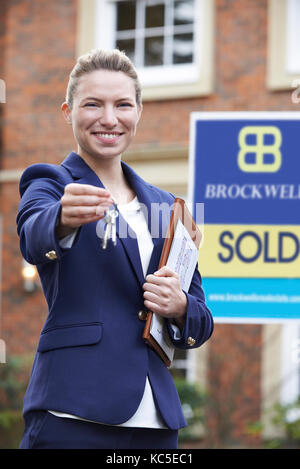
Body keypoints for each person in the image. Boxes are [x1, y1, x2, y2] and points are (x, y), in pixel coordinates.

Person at [17, 48, 214, 449]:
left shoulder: (168, 208)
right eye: (93, 104)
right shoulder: (51, 183)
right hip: (71, 411)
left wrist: (178, 306)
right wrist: (61, 218)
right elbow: (33, 236)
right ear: (68, 112)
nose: (109, 118)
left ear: (138, 111)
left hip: (156, 422)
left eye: (123, 104)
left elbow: (201, 318)